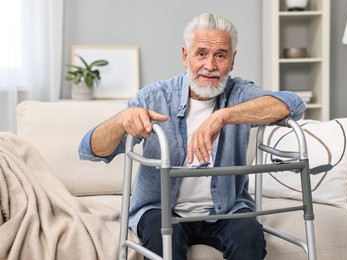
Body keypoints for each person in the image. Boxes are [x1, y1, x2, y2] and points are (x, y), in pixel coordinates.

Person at [79, 13, 305, 260]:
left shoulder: (240, 93)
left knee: (248, 237)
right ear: (185, 56)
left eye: (220, 55)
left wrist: (222, 117)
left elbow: (292, 104)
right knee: (163, 241)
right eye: (201, 54)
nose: (210, 65)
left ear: (232, 60)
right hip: (161, 210)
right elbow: (91, 149)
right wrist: (122, 120)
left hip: (226, 211)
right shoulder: (155, 97)